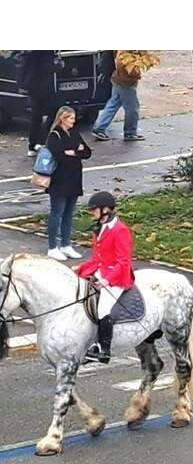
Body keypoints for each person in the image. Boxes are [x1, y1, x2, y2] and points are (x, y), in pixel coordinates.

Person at [76, 191, 134, 364]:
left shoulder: (120, 230)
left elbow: (123, 261)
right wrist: (79, 269)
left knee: (103, 309)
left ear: (106, 210)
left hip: (117, 277)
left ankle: (104, 349)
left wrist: (107, 279)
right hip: (101, 272)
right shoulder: (100, 229)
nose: (92, 213)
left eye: (94, 210)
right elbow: (97, 259)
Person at [43, 106, 92, 261]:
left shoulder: (74, 133)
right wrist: (74, 152)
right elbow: (59, 156)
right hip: (59, 181)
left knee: (69, 214)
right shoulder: (54, 135)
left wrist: (74, 152)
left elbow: (87, 152)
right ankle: (52, 246)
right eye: (71, 118)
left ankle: (66, 244)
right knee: (57, 213)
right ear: (63, 118)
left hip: (74, 180)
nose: (74, 120)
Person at [91, 50, 155, 142]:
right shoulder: (125, 51)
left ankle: (99, 128)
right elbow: (123, 65)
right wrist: (135, 74)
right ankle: (130, 132)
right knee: (132, 108)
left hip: (118, 79)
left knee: (113, 103)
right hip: (125, 82)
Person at [19, 50, 59, 157]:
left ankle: (32, 145)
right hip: (43, 85)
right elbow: (46, 67)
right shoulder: (44, 52)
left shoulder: (30, 52)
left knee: (36, 114)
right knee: (54, 110)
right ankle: (41, 140)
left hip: (32, 84)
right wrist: (58, 66)